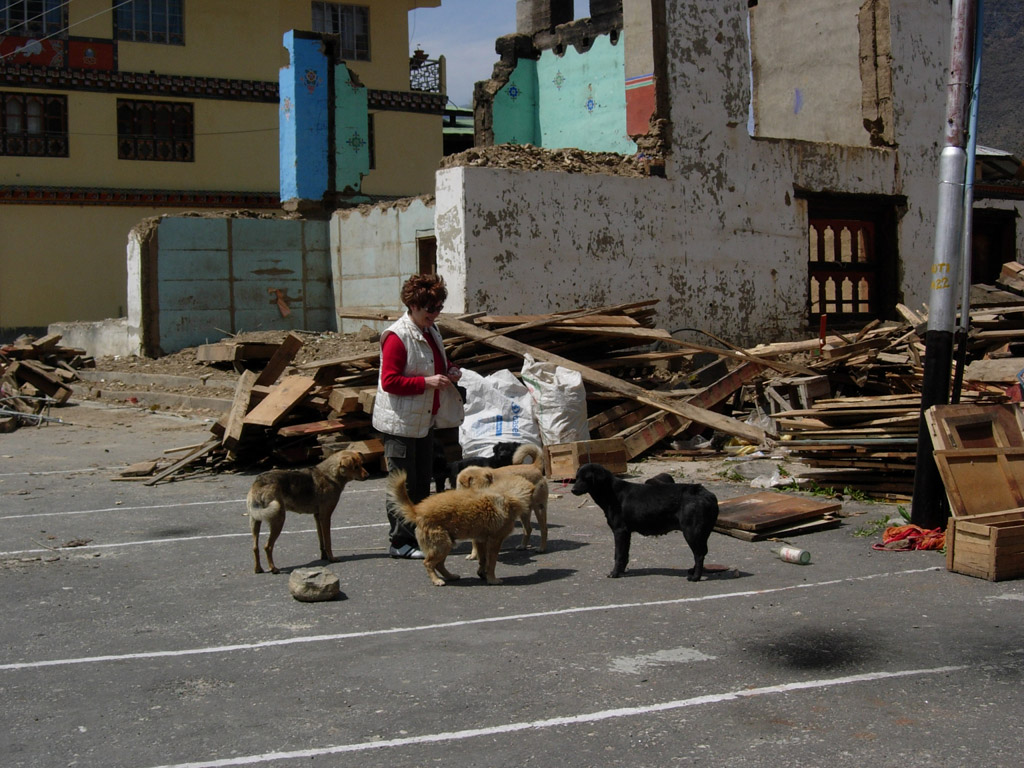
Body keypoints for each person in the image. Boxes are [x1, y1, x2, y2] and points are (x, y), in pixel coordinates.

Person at [372, 273, 464, 558]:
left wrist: (450, 370)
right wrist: (427, 382)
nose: (435, 314)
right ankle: (400, 542)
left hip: (424, 419)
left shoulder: (430, 330)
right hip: (400, 423)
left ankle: (422, 537)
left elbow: (437, 362)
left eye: (438, 308)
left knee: (423, 481)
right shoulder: (397, 337)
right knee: (402, 485)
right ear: (413, 306)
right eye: (430, 309)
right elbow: (390, 382)